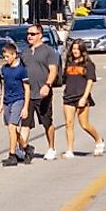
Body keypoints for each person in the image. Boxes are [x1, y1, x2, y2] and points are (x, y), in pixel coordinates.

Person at [23, 23, 63, 159]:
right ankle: (23, 149)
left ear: (40, 35)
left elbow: (53, 70)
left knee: (47, 122)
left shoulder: (49, 51)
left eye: (32, 34)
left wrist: (47, 85)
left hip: (43, 93)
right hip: (28, 94)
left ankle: (51, 148)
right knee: (25, 123)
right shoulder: (25, 53)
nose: (29, 36)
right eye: (28, 34)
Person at [61, 39, 103, 157]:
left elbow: (90, 81)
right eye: (73, 49)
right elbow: (65, 79)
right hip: (68, 96)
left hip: (81, 97)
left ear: (82, 50)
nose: (75, 51)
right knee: (69, 124)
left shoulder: (88, 64)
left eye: (77, 49)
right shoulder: (69, 63)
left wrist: (84, 97)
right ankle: (69, 150)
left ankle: (98, 140)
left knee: (84, 124)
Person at [0, 43, 33, 167]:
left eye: (7, 56)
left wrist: (25, 107)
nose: (6, 59)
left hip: (18, 100)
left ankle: (12, 155)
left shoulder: (21, 70)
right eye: (4, 57)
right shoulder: (4, 69)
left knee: (12, 127)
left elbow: (27, 89)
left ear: (14, 55)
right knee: (11, 129)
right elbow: (3, 87)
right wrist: (1, 103)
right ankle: (27, 148)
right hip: (8, 101)